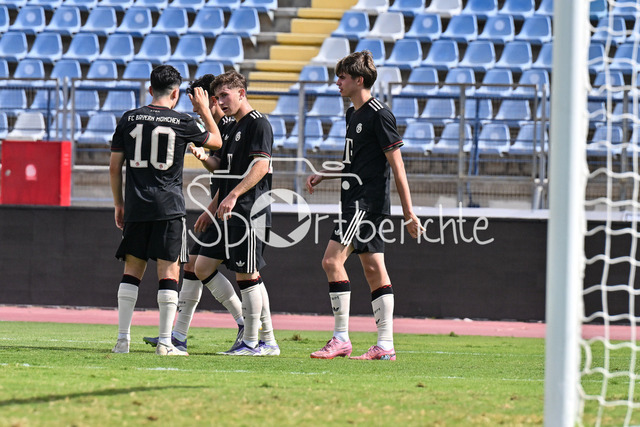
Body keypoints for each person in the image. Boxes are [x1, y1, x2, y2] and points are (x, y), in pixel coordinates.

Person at [305, 51, 423, 361]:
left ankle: (341, 338)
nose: (337, 82)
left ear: (359, 80)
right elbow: (353, 163)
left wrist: (408, 212)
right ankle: (385, 345)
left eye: (342, 77)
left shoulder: (379, 114)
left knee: (331, 261)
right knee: (373, 269)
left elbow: (397, 166)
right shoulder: (352, 114)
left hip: (364, 204)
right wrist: (325, 173)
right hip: (355, 201)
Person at [109, 65, 222, 356]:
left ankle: (122, 340)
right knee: (169, 273)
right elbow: (217, 141)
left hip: (136, 206)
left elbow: (114, 167)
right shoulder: (182, 121)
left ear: (150, 90)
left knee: (131, 271)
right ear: (175, 93)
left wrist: (119, 204)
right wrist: (203, 109)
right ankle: (164, 343)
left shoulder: (129, 118)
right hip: (169, 207)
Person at [142, 74, 245, 353]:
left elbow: (230, 174)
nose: (195, 107)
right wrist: (205, 158)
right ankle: (178, 335)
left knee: (206, 268)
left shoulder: (227, 126)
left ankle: (245, 322)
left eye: (197, 100)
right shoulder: (219, 126)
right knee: (191, 267)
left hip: (227, 207)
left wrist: (210, 209)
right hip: (218, 204)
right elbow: (219, 166)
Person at [189, 70, 279, 356]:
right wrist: (205, 159)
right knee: (204, 267)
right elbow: (223, 169)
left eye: (225, 95)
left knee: (247, 274)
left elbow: (261, 166)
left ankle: (254, 342)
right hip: (230, 210)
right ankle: (260, 337)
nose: (221, 101)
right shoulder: (234, 127)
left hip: (250, 210)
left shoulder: (258, 123)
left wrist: (233, 195)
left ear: (242, 93)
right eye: (218, 97)